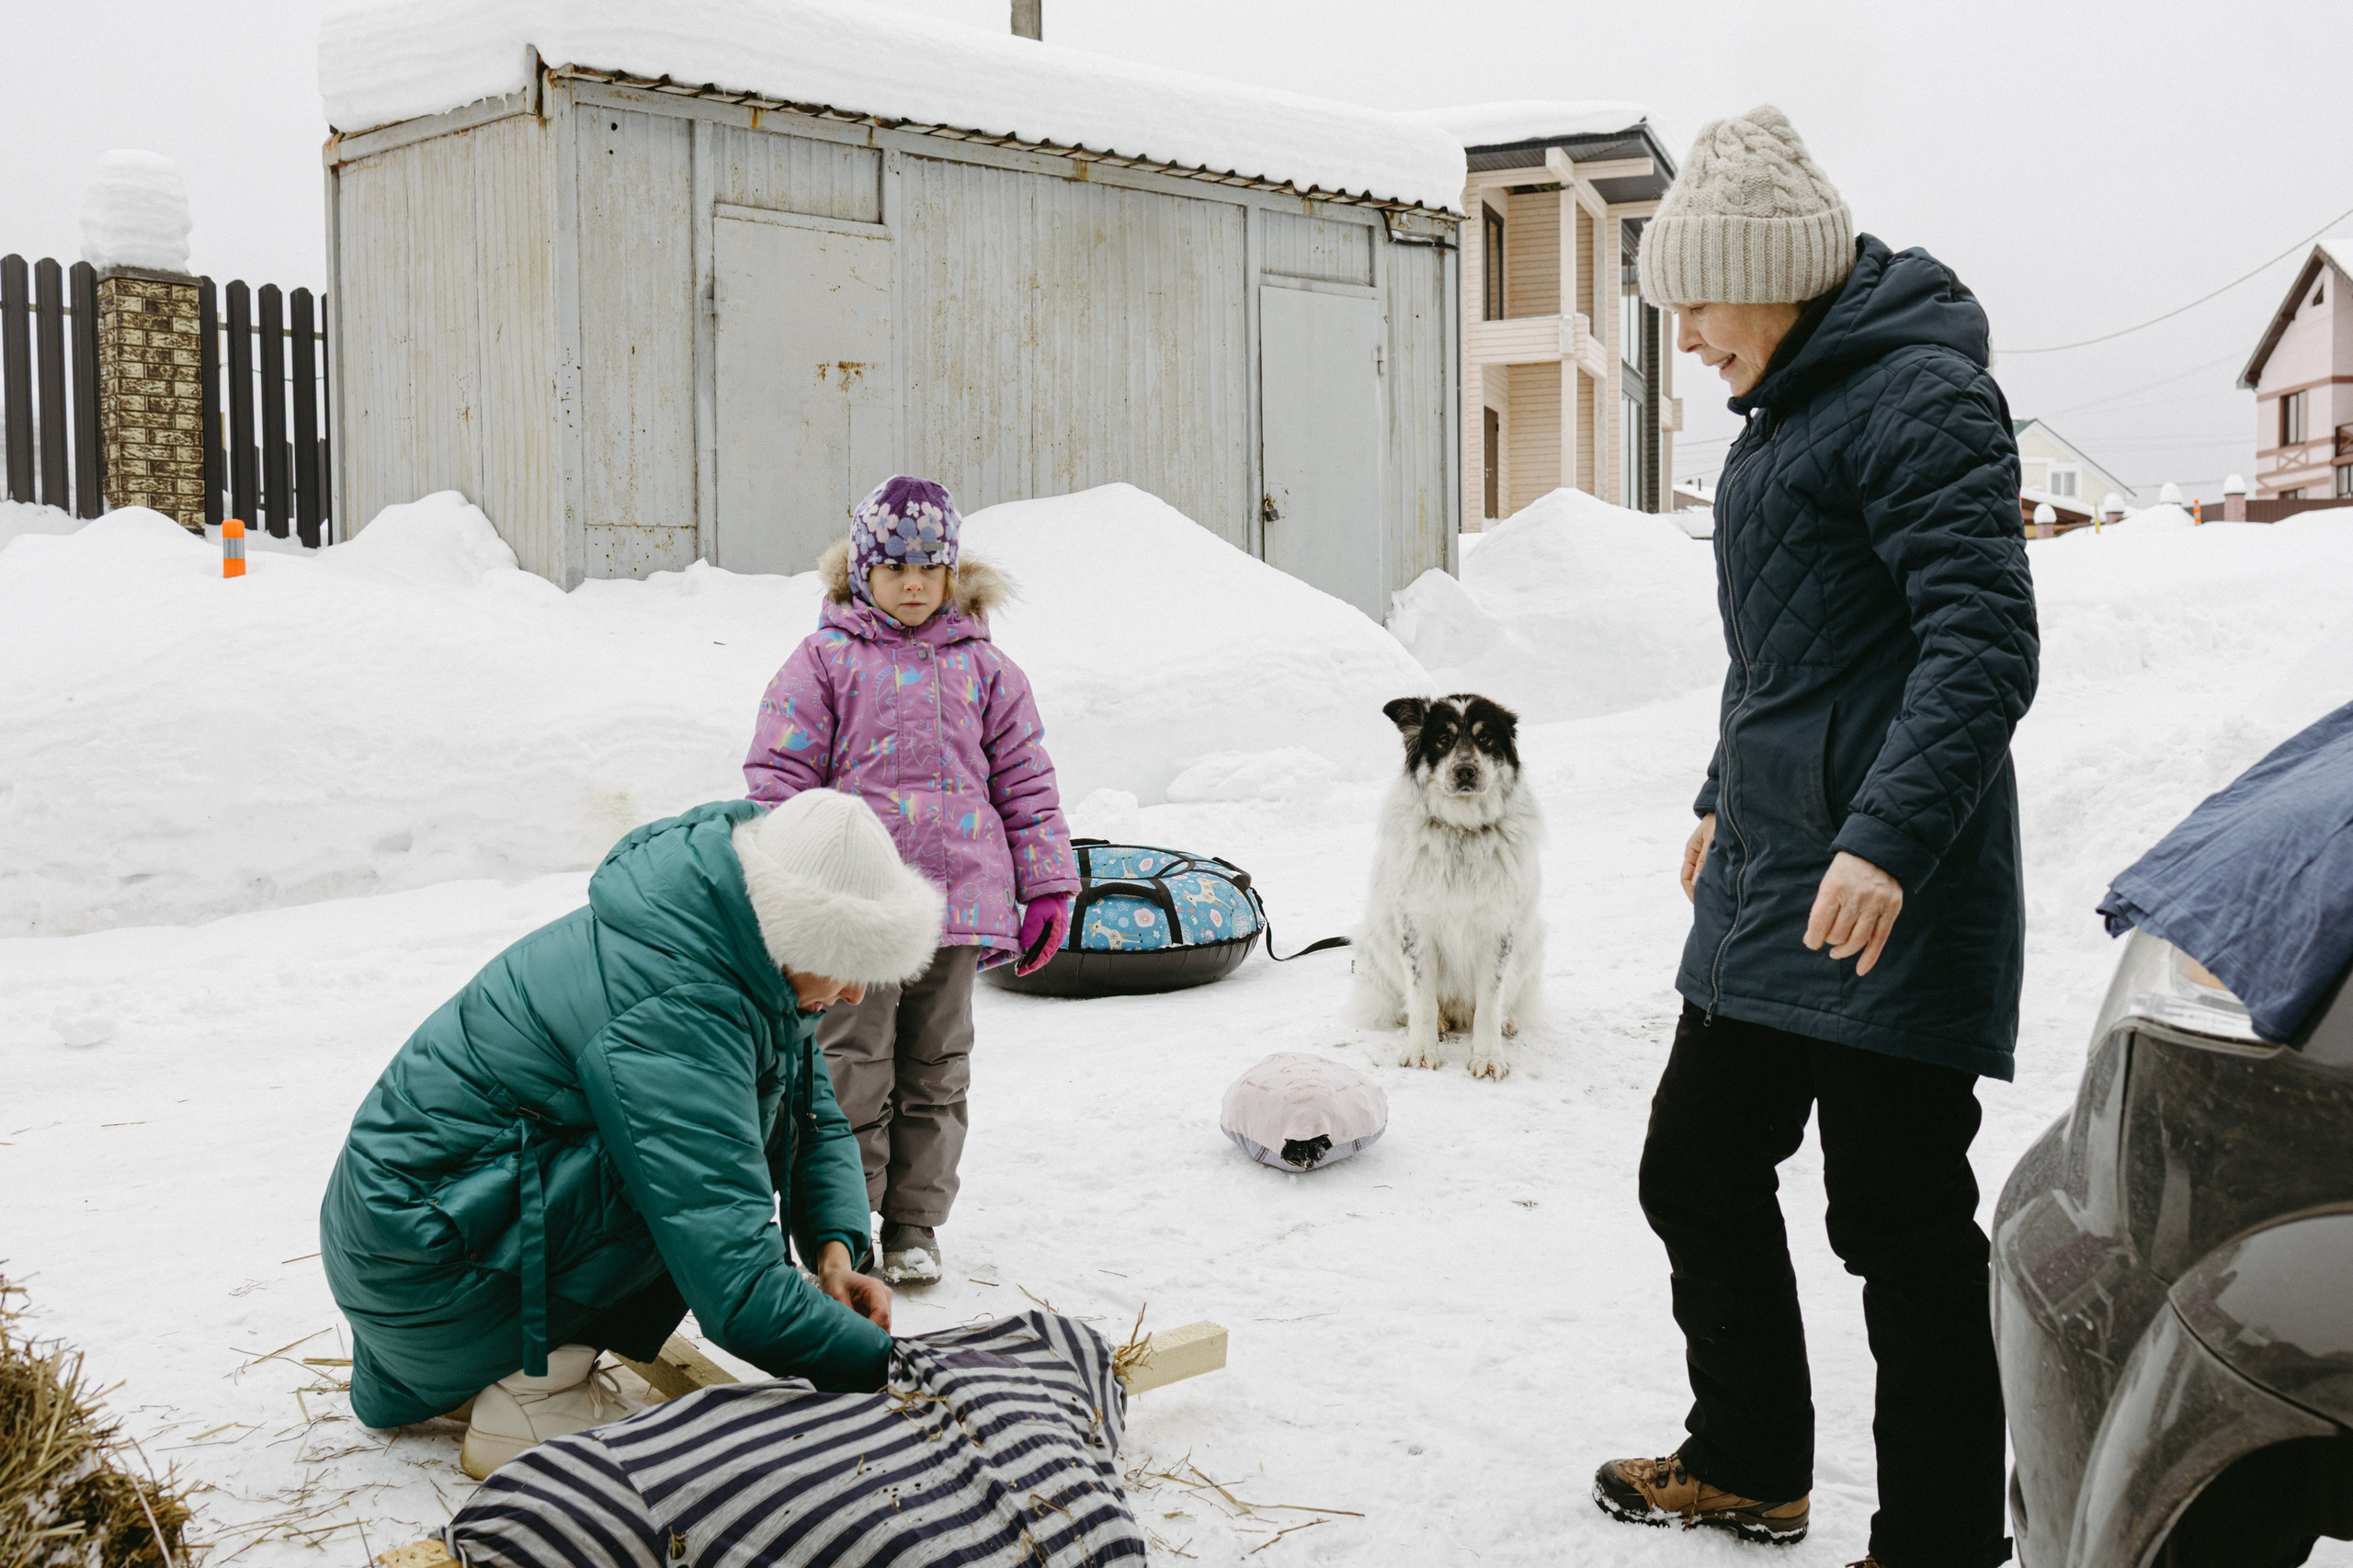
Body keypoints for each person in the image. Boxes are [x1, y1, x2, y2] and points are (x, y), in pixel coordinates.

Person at [1591, 108, 2038, 1568]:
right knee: (1697, 1165)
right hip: (1781, 871)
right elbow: (1788, 653)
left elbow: (1979, 647)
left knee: (1899, 1226)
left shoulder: (1917, 396)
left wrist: (1890, 842)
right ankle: (1750, 1464)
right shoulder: (1798, 411)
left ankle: (1942, 1543)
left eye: (1700, 299)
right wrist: (1725, 793)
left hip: (1884, 891)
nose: (1690, 333)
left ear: (1775, 271)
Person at [320, 790, 946, 1478]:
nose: (857, 994)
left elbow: (810, 1115)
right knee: (666, 1177)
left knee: (693, 1154)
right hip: (420, 1263)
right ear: (798, 931)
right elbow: (732, 1276)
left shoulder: (736, 948)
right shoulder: (678, 1003)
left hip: (424, 1240)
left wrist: (835, 1254)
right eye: (847, 959)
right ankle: (532, 1397)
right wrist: (901, 1381)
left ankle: (504, 1365)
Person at [745, 476, 1078, 1287]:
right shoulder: (825, 662)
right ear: (862, 570)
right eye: (895, 569)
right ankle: (840, 1225)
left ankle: (915, 1222)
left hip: (958, 910)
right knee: (849, 1065)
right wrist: (781, 884)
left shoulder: (988, 670)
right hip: (859, 912)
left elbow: (1027, 783)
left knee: (937, 1067)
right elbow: (780, 778)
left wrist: (1046, 886)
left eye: (930, 568)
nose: (914, 585)